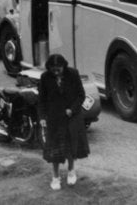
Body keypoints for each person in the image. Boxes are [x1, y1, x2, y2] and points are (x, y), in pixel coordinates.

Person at [38, 53, 90, 191]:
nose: (55, 71)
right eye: (52, 68)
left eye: (58, 68)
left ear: (63, 66)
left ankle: (71, 170)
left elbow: (81, 95)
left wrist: (71, 109)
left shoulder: (73, 74)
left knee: (71, 147)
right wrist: (42, 117)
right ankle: (55, 177)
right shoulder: (45, 78)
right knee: (54, 150)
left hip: (71, 117)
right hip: (54, 118)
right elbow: (41, 99)